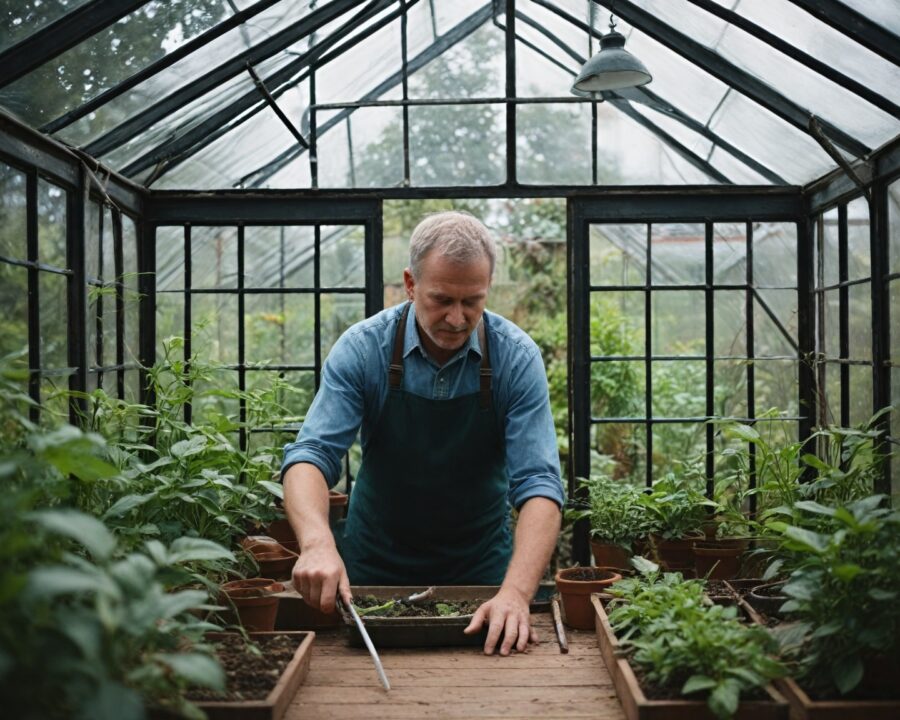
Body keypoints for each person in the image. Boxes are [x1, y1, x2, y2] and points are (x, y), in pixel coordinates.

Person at [280, 211, 564, 656]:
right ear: (410, 284)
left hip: (482, 577)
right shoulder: (364, 349)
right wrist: (317, 543)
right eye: (442, 299)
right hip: (374, 570)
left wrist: (516, 593)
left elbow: (540, 483)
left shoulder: (515, 358)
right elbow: (311, 456)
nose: (457, 318)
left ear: (488, 286)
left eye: (472, 301)